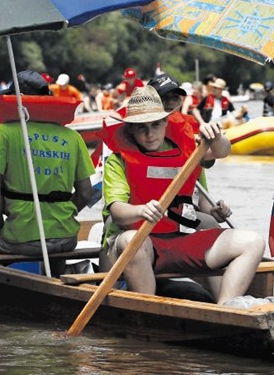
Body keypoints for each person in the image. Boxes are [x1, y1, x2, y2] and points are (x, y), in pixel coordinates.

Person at [100, 85, 265, 305]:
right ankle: (147, 311)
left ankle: (226, 310)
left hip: (181, 239)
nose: (150, 135)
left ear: (165, 122)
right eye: (142, 128)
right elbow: (118, 212)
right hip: (142, 243)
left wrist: (216, 137)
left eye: (155, 125)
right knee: (133, 241)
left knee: (253, 241)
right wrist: (141, 210)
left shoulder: (186, 146)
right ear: (130, 129)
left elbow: (222, 151)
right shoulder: (118, 160)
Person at [0, 70, 95, 266]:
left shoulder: (4, 132)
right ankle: (57, 283)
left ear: (19, 98)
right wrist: (62, 215)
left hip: (21, 238)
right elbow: (85, 193)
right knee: (56, 255)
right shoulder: (73, 137)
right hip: (67, 238)